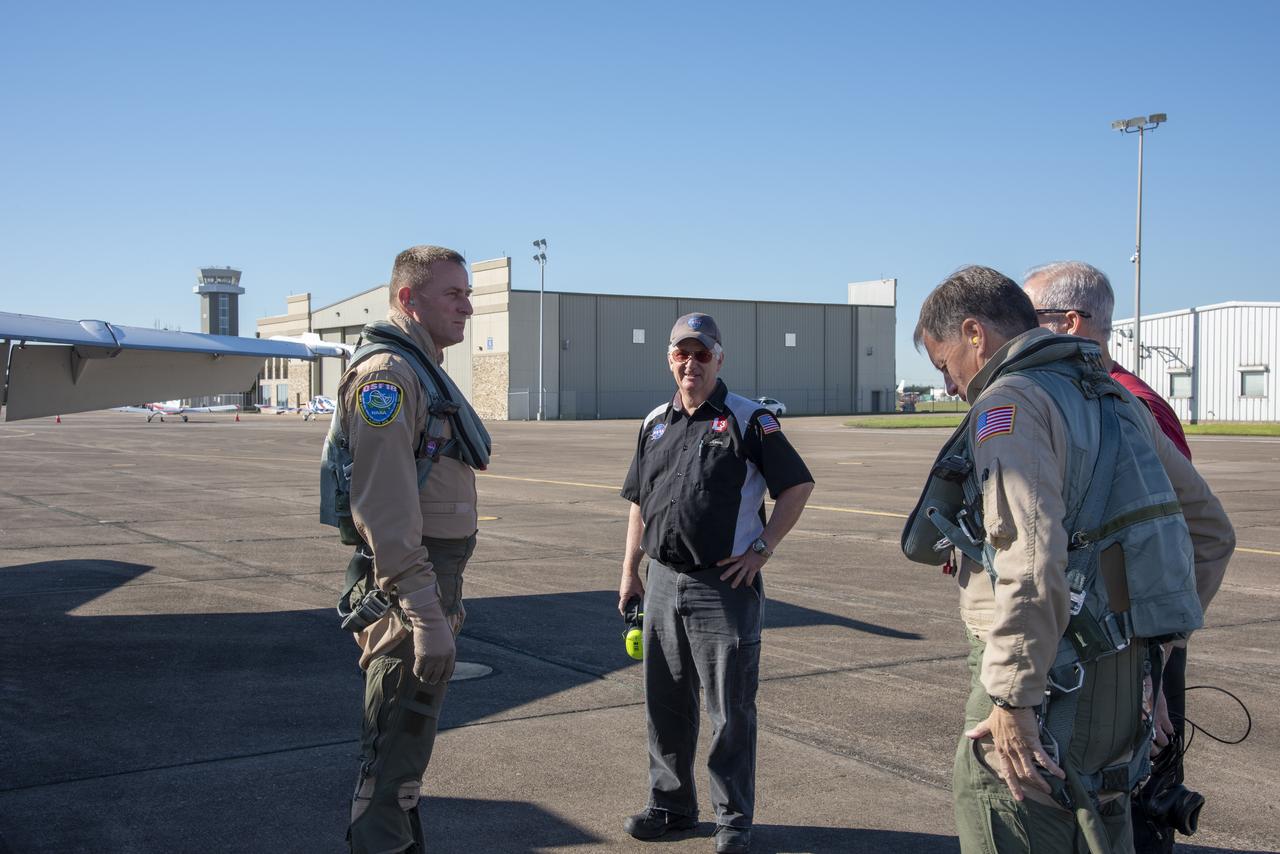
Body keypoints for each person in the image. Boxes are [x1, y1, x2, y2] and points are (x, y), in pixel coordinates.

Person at [903, 266, 1234, 853]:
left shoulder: (1009, 405)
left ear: (974, 333)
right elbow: (1210, 533)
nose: (950, 384)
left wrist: (1013, 699)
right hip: (1119, 683)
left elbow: (1026, 561)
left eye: (943, 362)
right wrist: (1152, 661)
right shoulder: (1116, 400)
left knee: (1002, 812)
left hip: (1045, 689)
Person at [618, 313, 815, 854]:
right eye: (682, 353)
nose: (691, 363)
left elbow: (796, 486)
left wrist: (761, 550)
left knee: (729, 709)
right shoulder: (655, 422)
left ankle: (733, 819)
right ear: (669, 358)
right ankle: (671, 806)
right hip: (662, 580)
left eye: (702, 354)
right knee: (665, 702)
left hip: (722, 587)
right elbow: (640, 502)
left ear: (719, 359)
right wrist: (629, 571)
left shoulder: (750, 420)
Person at [1024, 260, 1195, 853]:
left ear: (1069, 324)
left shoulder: (1129, 404)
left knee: (1130, 807)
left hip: (1133, 648)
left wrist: (1158, 657)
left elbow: (1181, 535)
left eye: (1030, 321)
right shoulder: (1070, 399)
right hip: (1083, 644)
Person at [338, 245, 491, 853]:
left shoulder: (420, 365)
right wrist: (426, 618)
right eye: (453, 295)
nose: (469, 307)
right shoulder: (389, 377)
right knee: (393, 759)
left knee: (407, 755)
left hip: (426, 584)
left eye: (468, 293)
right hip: (411, 592)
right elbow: (385, 511)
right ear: (408, 298)